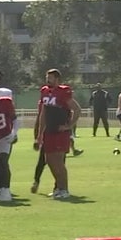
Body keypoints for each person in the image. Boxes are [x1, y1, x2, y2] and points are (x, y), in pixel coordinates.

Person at [37, 69, 81, 199]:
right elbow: (43, 114)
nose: (47, 79)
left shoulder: (63, 92)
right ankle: (58, 188)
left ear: (57, 79)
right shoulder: (44, 91)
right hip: (49, 131)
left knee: (58, 161)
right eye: (47, 77)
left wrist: (69, 126)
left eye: (50, 77)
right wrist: (40, 133)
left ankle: (64, 189)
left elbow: (77, 109)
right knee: (49, 161)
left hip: (60, 131)